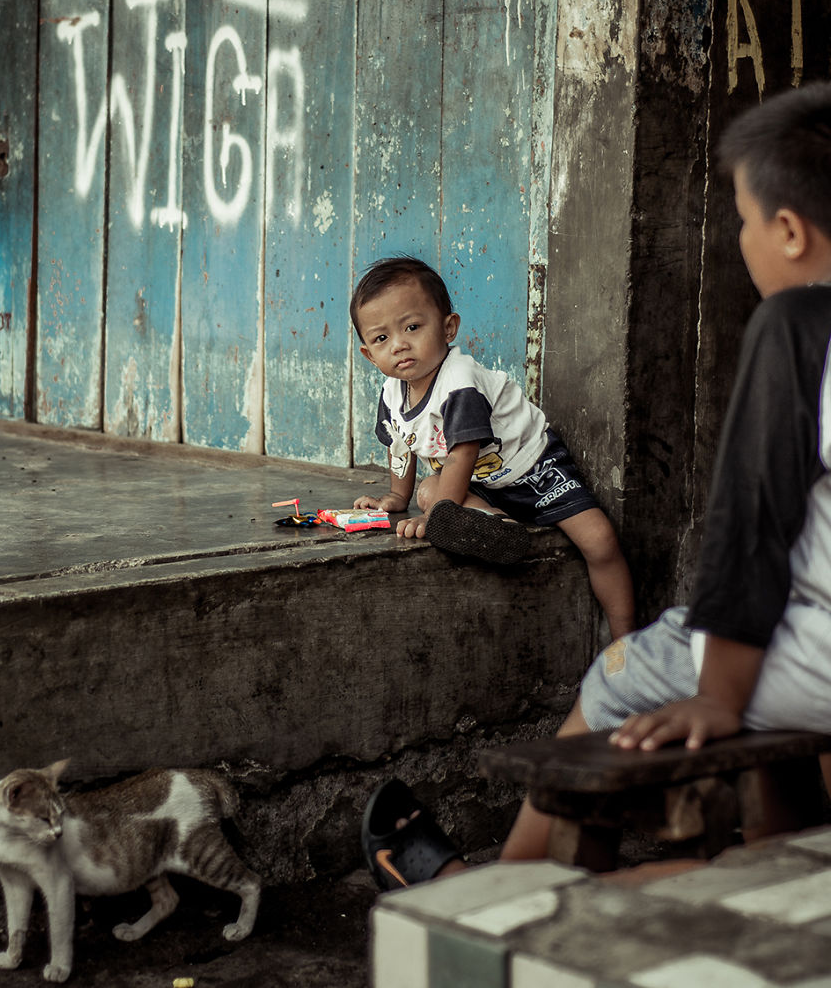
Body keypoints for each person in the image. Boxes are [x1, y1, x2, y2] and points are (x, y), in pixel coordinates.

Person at [361, 82, 831, 891]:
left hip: (819, 657)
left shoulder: (797, 327)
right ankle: (780, 869)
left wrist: (719, 693)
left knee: (618, 676)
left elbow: (751, 524)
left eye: (744, 220)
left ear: (787, 232)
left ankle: (491, 902)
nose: (744, 238)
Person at [350, 255, 635, 642]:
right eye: (382, 338)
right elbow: (401, 443)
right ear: (369, 353)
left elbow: (462, 453)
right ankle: (495, 523)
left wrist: (440, 516)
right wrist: (398, 497)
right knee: (428, 491)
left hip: (533, 471)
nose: (399, 345)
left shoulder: (460, 382)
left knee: (600, 540)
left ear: (448, 327)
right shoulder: (391, 392)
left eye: (413, 327)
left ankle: (624, 641)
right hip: (483, 484)